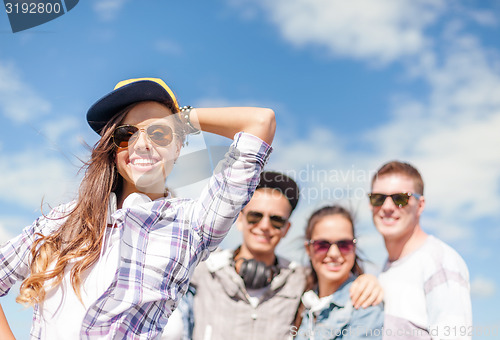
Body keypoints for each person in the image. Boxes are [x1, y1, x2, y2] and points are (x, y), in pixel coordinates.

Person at [0, 77, 275, 339]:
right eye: (125, 133)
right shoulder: (62, 220)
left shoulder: (192, 224)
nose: (142, 144)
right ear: (112, 147)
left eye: (159, 133)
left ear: (178, 146)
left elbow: (260, 122)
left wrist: (182, 120)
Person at [186, 171, 384, 340]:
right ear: (239, 219)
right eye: (255, 216)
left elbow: (334, 282)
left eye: (276, 220)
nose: (264, 226)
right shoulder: (202, 268)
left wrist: (367, 280)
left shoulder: (299, 279)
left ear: (286, 228)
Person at [369, 161, 472, 339]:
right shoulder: (386, 268)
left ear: (420, 205)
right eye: (378, 198)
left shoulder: (439, 262)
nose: (387, 207)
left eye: (400, 198)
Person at [293, 205, 384, 339]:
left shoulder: (365, 306)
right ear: (308, 249)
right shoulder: (302, 301)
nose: (334, 253)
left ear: (354, 247)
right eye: (322, 245)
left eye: (344, 244)